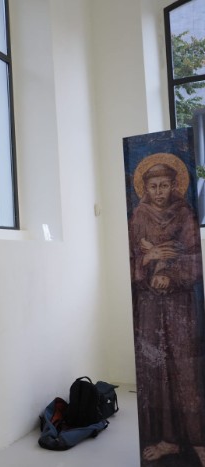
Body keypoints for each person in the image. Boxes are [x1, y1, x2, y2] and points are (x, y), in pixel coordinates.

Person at [128, 155, 205, 464]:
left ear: (175, 185)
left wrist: (169, 272)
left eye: (164, 185)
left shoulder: (185, 214)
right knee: (156, 369)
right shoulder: (139, 216)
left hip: (180, 305)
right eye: (153, 186)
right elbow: (134, 259)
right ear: (145, 188)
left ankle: (198, 440)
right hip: (149, 305)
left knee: (186, 368)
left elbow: (194, 259)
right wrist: (150, 258)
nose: (159, 192)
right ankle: (168, 440)